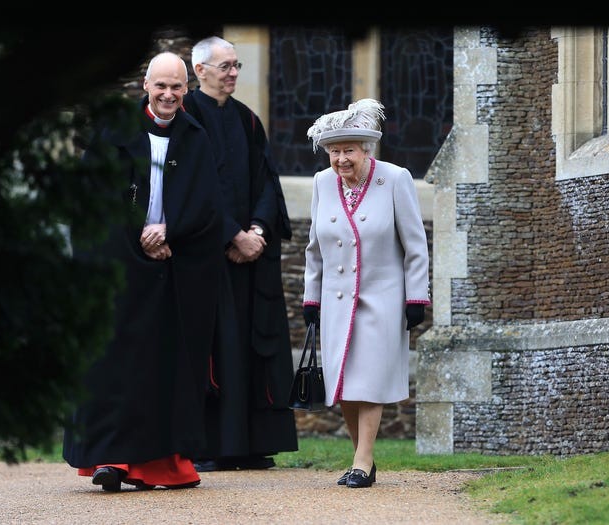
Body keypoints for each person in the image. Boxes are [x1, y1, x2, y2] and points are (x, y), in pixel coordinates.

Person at [62, 52, 224, 491]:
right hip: (118, 263)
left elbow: (209, 206)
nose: (168, 94)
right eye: (161, 86)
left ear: (186, 89)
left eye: (176, 87)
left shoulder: (196, 137)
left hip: (175, 268)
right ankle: (110, 460)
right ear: (146, 87)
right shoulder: (113, 132)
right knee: (116, 363)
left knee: (166, 365)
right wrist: (139, 237)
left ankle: (161, 464)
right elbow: (97, 201)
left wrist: (172, 233)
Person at [182, 36, 298, 471]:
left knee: (253, 346)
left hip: (250, 261)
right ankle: (209, 446)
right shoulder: (185, 118)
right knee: (215, 348)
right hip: (207, 258)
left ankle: (250, 444)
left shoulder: (249, 121)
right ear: (201, 71)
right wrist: (231, 235)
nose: (233, 73)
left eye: (236, 65)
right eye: (225, 66)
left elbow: (268, 182)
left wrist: (258, 230)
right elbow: (192, 188)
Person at [303, 99, 431, 488]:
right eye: (334, 152)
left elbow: (415, 244)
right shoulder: (322, 183)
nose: (341, 160)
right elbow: (313, 248)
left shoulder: (395, 178)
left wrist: (416, 298)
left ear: (365, 149)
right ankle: (363, 461)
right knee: (343, 383)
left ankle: (362, 460)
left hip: (383, 298)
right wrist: (312, 298)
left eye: (348, 151)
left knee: (370, 377)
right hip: (337, 301)